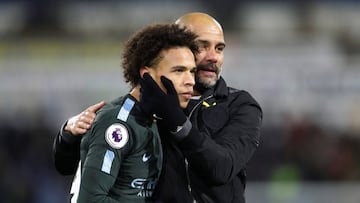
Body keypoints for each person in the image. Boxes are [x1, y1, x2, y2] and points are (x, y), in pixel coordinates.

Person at [53, 12, 263, 203]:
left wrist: (176, 121)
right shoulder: (137, 111)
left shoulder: (241, 105)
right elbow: (73, 168)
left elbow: (221, 168)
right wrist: (68, 134)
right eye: (202, 46)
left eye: (219, 48)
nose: (213, 56)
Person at [54, 23, 198, 202]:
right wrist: (67, 133)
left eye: (192, 72)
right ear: (147, 75)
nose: (190, 81)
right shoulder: (118, 123)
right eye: (179, 71)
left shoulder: (161, 121)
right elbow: (91, 200)